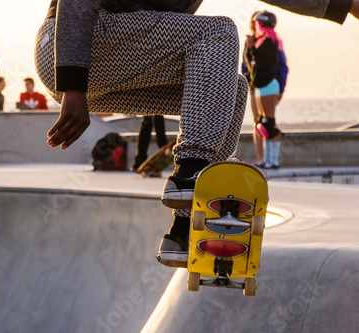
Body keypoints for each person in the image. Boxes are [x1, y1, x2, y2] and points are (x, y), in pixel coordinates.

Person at [35, 0, 359, 268]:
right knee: (218, 31)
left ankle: (183, 228)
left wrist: (344, 5)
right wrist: (73, 86)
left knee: (230, 88)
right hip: (73, 45)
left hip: (116, 58)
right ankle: (189, 176)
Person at [242, 11, 288, 169]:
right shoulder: (257, 41)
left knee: (268, 123)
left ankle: (271, 161)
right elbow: (246, 65)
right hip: (257, 84)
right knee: (260, 122)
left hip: (267, 84)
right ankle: (264, 159)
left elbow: (281, 66)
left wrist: (281, 89)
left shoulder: (270, 42)